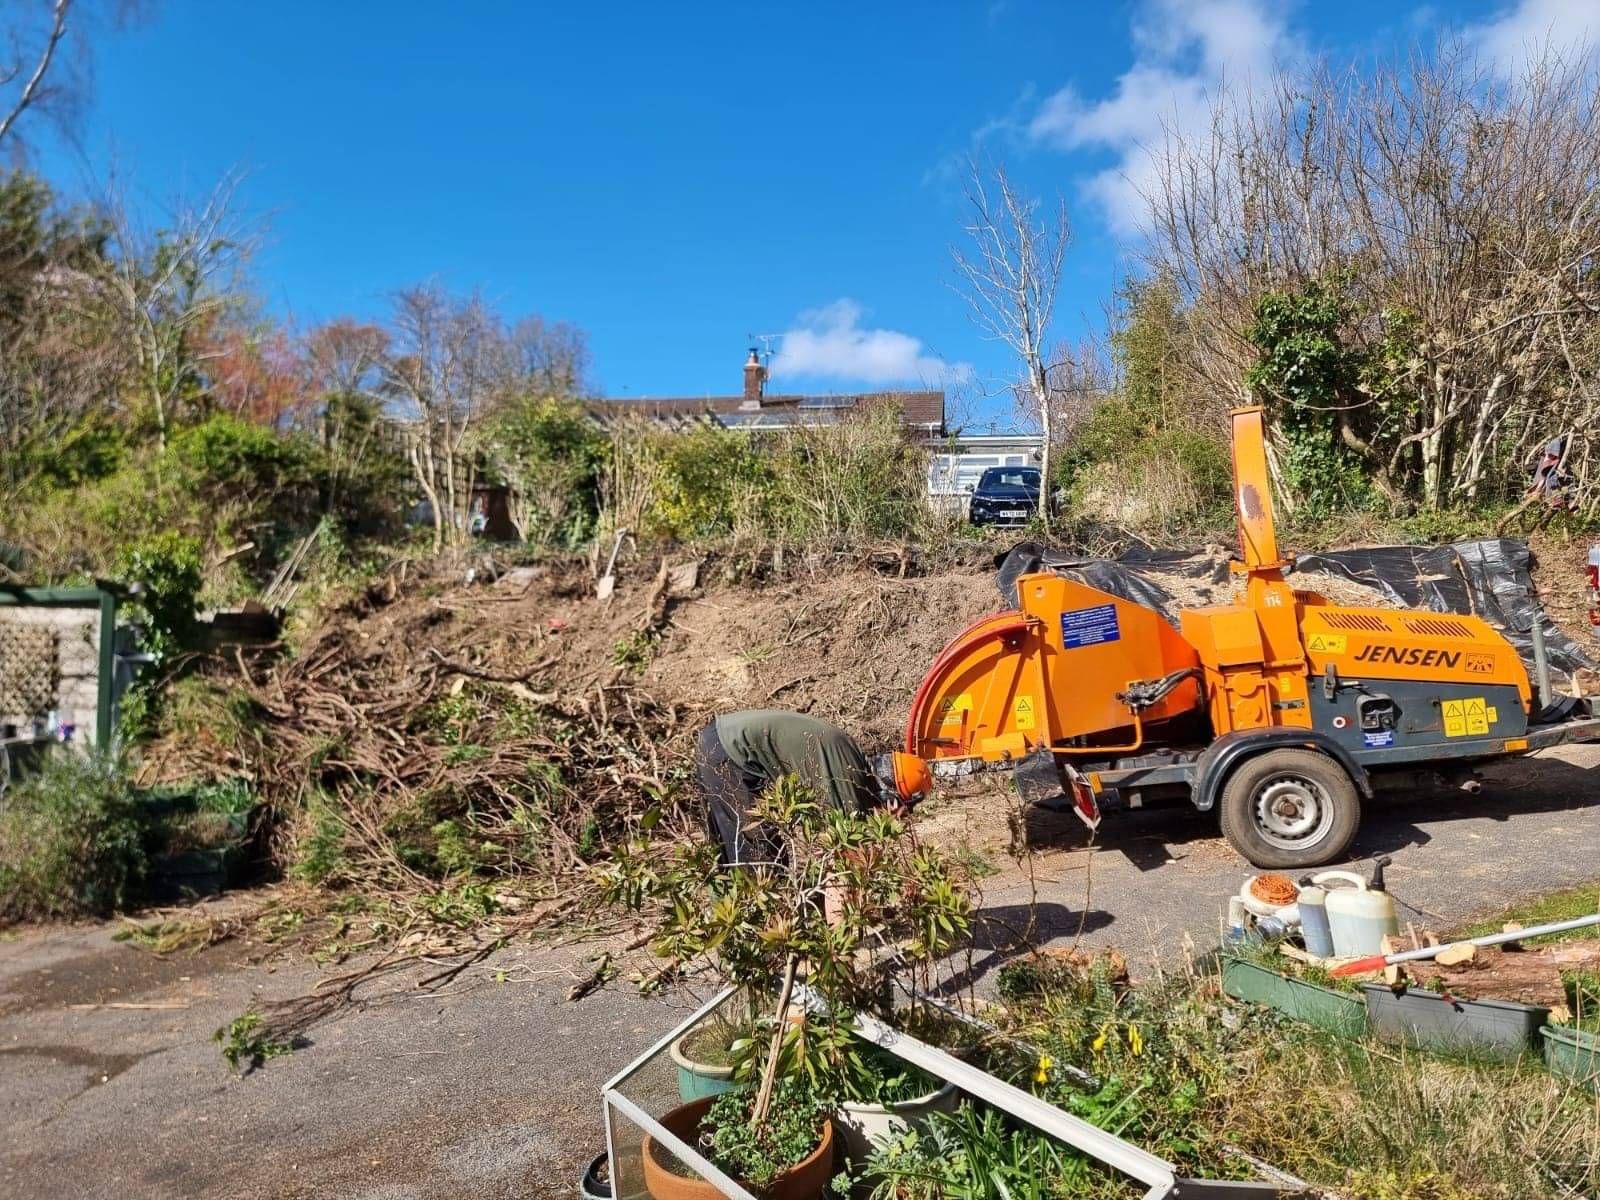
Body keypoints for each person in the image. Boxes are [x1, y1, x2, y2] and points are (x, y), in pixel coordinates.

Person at [693, 709, 932, 865]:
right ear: (890, 796)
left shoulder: (851, 762)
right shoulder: (847, 782)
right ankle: (758, 937)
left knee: (750, 850)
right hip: (729, 749)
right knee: (755, 856)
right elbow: (846, 855)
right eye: (903, 810)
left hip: (723, 739)